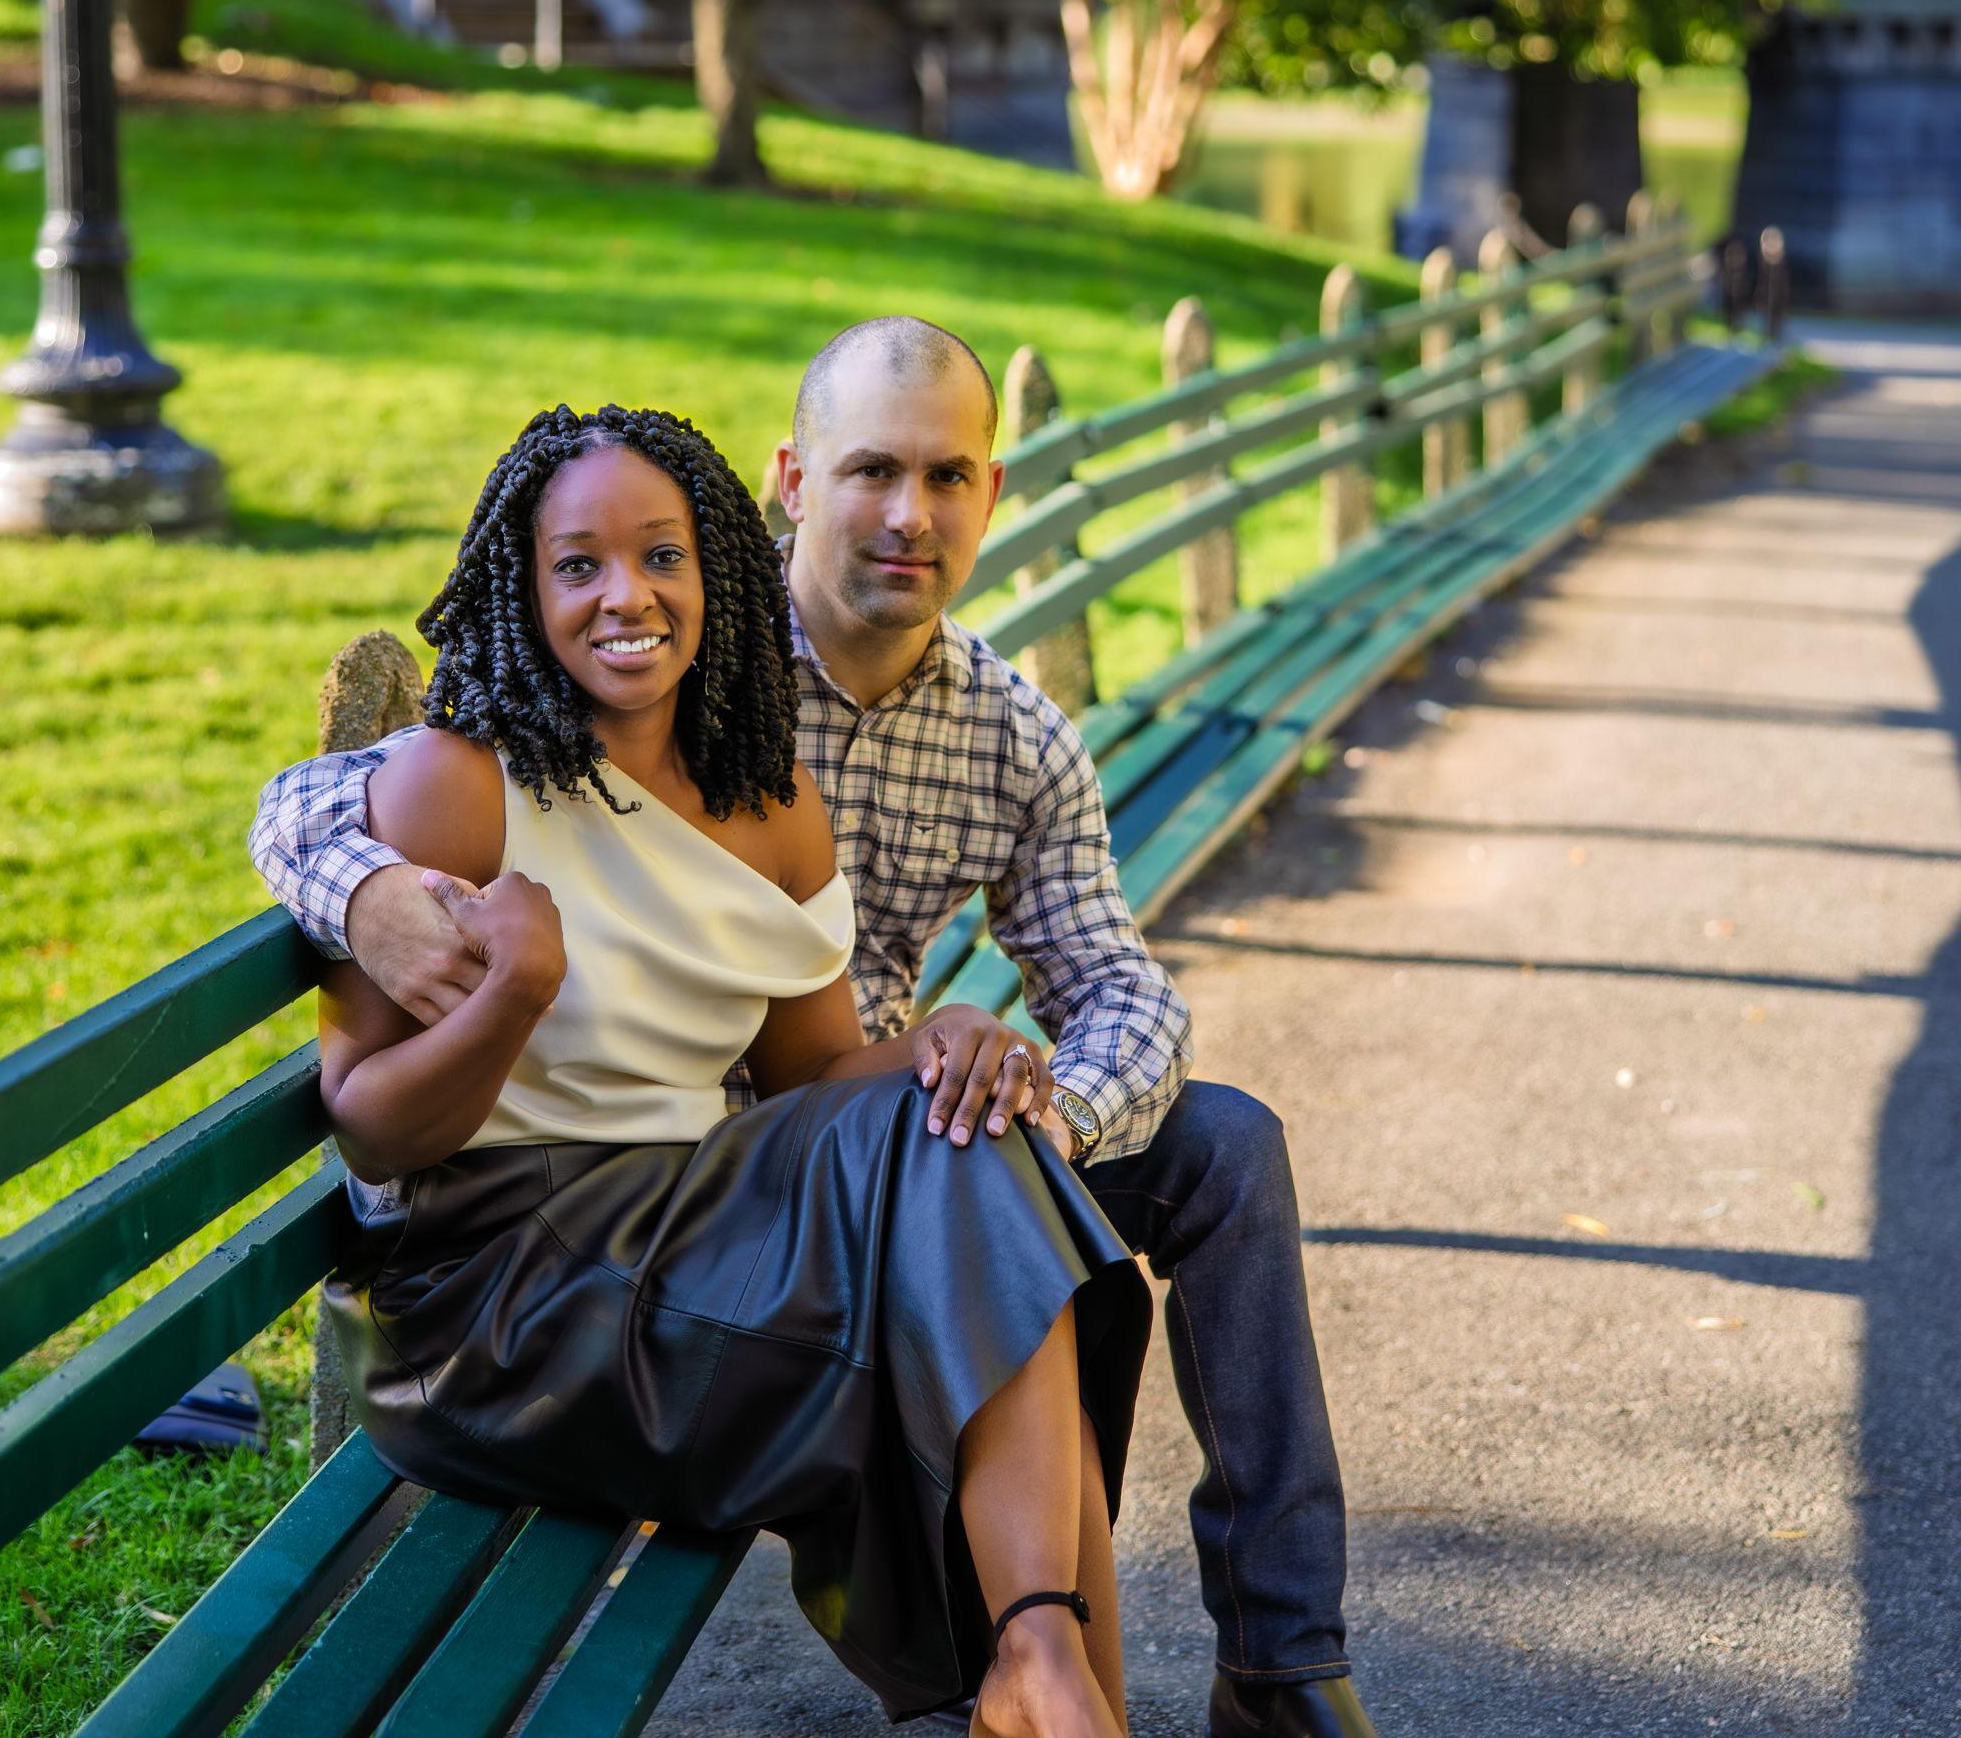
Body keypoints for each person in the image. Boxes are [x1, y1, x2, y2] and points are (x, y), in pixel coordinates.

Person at [252, 321, 1383, 1738]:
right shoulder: (602, 701)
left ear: (991, 493)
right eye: (871, 472)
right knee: (974, 1191)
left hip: (803, 1168)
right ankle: (1043, 1681)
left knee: (1151, 1145)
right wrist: (394, 910)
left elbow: (1092, 993)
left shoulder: (952, 742)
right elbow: (333, 799)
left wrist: (1003, 1082)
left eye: (947, 476)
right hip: (653, 1220)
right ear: (791, 485)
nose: (909, 515)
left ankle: (1245, 1673)